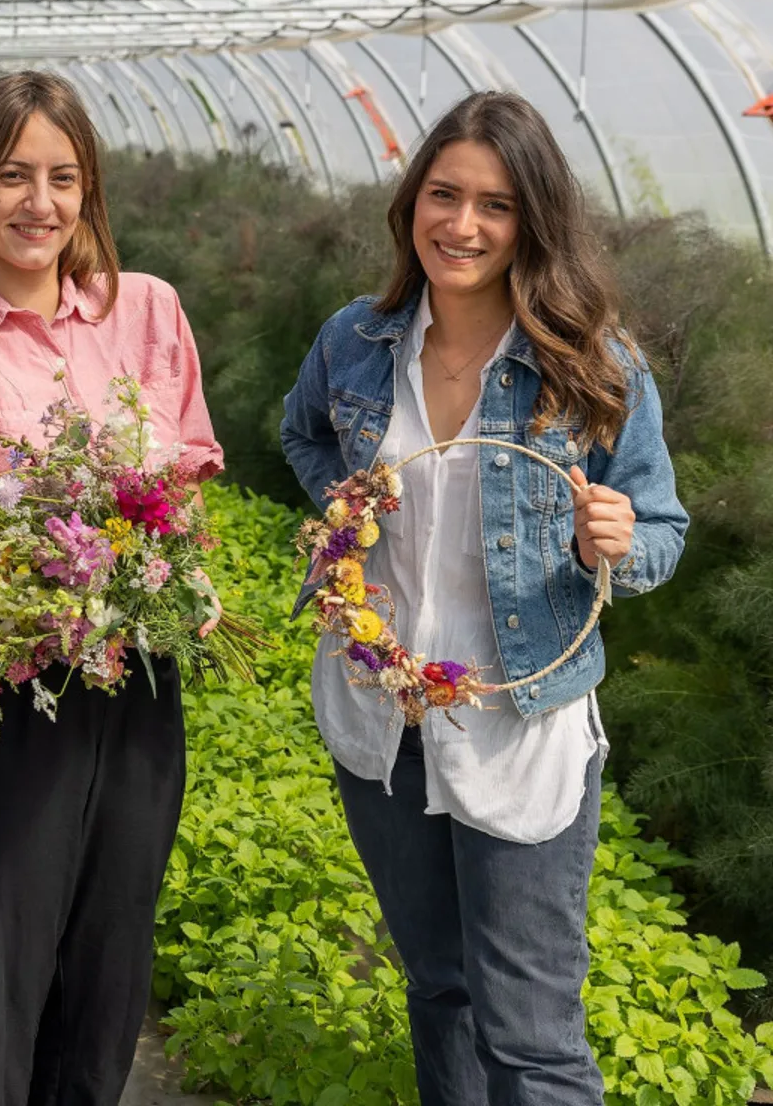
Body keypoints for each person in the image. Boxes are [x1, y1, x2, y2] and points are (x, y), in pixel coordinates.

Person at [280, 90, 688, 1103]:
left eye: (495, 205)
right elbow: (304, 433)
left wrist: (620, 541)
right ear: (411, 202)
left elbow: (663, 530)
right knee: (440, 988)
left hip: (519, 724)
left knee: (532, 1034)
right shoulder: (356, 342)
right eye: (443, 194)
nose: (462, 226)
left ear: (533, 221)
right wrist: (342, 508)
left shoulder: (594, 364)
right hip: (385, 717)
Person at [0, 70, 223, 1105]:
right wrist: (75, 561)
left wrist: (155, 562)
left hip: (135, 682)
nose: (41, 203)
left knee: (110, 978)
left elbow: (188, 469)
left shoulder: (147, 311)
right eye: (13, 175)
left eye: (64, 177)